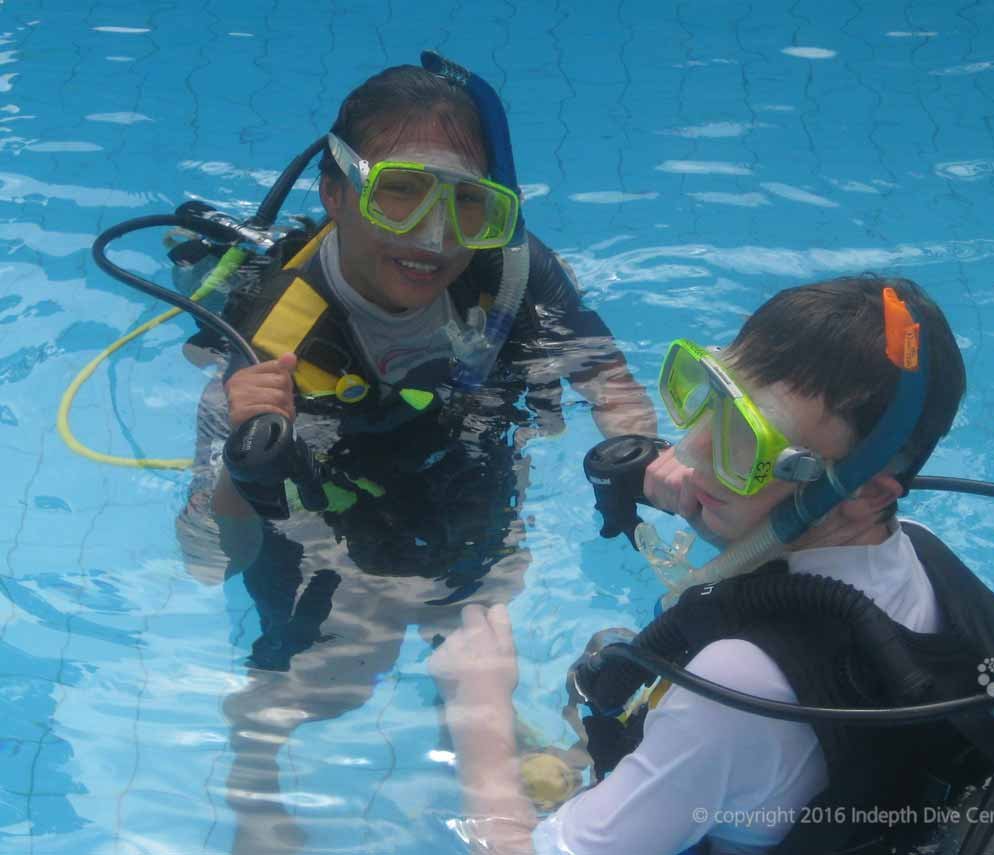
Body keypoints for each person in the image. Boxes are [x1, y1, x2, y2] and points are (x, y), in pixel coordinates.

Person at [176, 55, 656, 854]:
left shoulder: (509, 268)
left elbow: (605, 374)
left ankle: (481, 721)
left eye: (468, 202)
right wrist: (241, 454)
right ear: (335, 192)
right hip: (320, 488)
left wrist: (643, 458)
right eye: (400, 192)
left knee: (476, 614)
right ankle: (252, 781)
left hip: (458, 447)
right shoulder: (270, 340)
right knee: (326, 679)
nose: (436, 237)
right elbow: (204, 556)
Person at [429, 275, 994, 854]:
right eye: (711, 400)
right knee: (613, 654)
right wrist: (707, 499)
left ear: (865, 493)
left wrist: (476, 709)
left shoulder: (735, 688)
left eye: (749, 439)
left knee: (538, 714)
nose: (691, 452)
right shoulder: (923, 548)